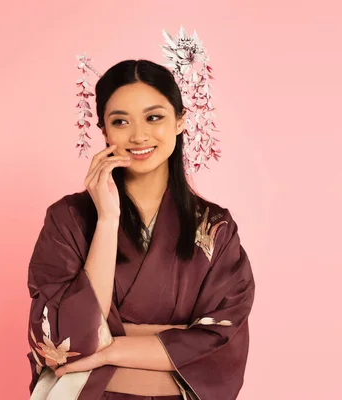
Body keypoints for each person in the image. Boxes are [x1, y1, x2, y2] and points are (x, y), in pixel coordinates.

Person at [26, 60, 255, 400]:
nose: (138, 135)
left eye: (154, 117)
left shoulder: (216, 227)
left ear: (180, 121)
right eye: (120, 121)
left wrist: (109, 352)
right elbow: (65, 338)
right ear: (104, 130)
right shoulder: (68, 219)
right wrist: (106, 219)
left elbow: (222, 338)